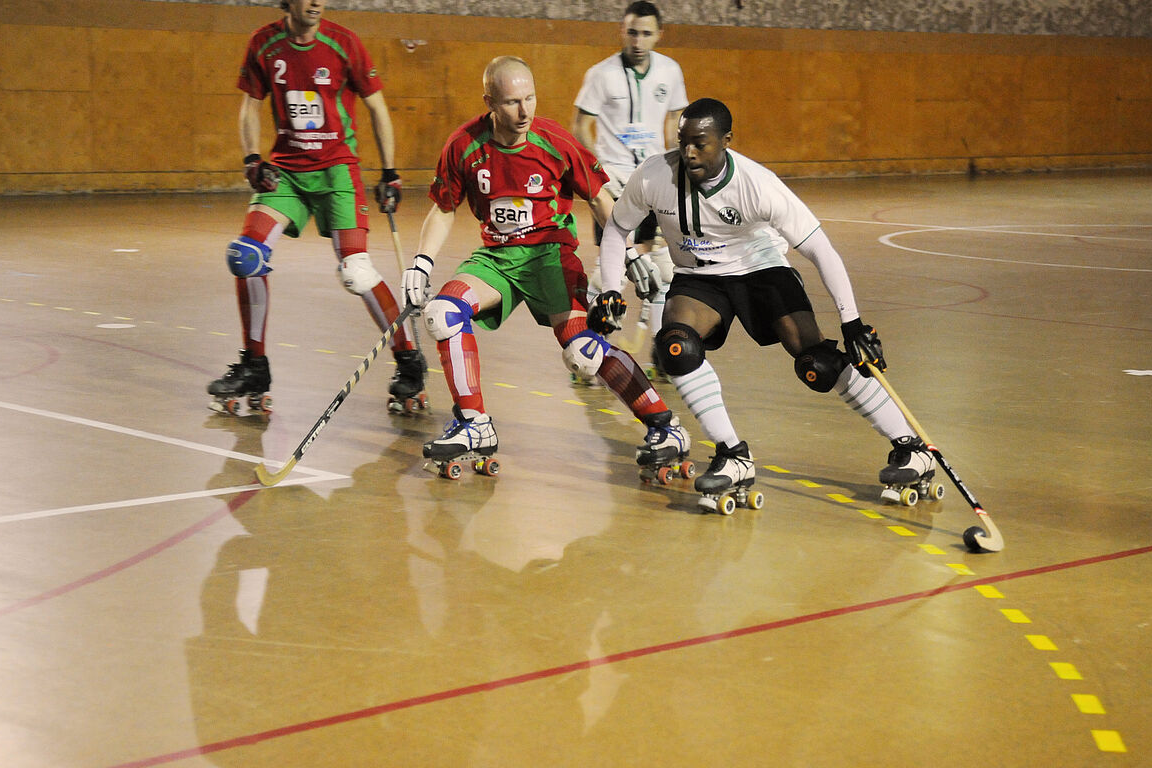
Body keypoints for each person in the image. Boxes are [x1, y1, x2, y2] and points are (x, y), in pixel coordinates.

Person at [594, 98, 936, 508]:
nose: (688, 152)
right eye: (683, 142)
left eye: (700, 143)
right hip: (699, 277)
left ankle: (910, 446)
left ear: (726, 141)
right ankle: (732, 454)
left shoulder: (758, 184)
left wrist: (852, 323)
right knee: (676, 347)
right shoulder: (654, 175)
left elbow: (820, 249)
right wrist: (611, 288)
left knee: (818, 364)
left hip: (760, 269)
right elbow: (616, 228)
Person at [401, 56, 689, 474]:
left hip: (549, 256)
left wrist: (627, 253)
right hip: (498, 258)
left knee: (583, 355)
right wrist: (421, 263)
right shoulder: (464, 145)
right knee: (443, 313)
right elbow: (444, 207)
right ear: (489, 102)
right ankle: (473, 423)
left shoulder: (554, 141)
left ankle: (665, 427)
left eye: (530, 98)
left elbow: (599, 197)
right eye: (512, 102)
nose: (524, 111)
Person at [207, 0, 426, 415]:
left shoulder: (344, 43)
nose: (315, 2)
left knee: (356, 271)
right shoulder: (264, 43)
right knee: (245, 256)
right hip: (286, 174)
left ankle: (408, 360)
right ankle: (254, 366)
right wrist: (252, 158)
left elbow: (377, 106)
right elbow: (250, 104)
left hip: (337, 171)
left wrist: (390, 172)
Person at [571, 0, 688, 379]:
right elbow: (580, 127)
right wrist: (599, 174)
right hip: (615, 183)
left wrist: (673, 170)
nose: (638, 41)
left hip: (654, 182)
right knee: (612, 272)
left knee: (662, 271)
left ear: (659, 35)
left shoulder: (670, 71)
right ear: (622, 30)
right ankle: (587, 350)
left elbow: (674, 123)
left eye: (646, 33)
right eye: (632, 32)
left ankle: (662, 356)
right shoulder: (600, 74)